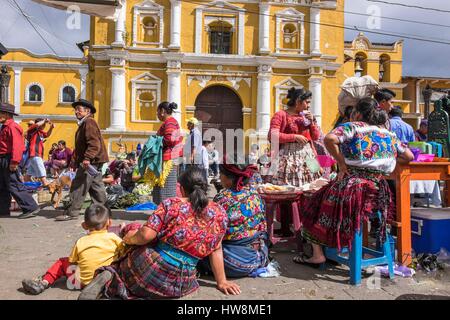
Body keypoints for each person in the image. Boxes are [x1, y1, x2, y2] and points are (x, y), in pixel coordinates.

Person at [78, 167, 240, 300]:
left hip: (150, 273)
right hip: (182, 284)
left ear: (181, 188)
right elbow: (216, 249)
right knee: (140, 232)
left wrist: (130, 239)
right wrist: (222, 281)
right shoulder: (220, 213)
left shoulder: (171, 204)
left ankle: (110, 274)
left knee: (133, 235)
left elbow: (146, 236)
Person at [295, 98, 414, 267]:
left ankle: (318, 253)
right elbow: (409, 156)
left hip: (352, 188)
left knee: (311, 202)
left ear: (357, 113)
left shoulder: (354, 127)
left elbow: (329, 139)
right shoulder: (388, 134)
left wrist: (342, 164)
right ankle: (340, 244)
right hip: (378, 190)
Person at [21, 204, 123, 295]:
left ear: (84, 226)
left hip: (78, 283)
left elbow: (72, 262)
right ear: (109, 223)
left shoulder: (81, 241)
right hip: (107, 279)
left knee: (62, 262)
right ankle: (101, 287)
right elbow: (124, 251)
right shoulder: (114, 238)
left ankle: (44, 282)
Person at [199, 157, 268, 277]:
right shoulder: (255, 193)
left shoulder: (223, 199)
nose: (220, 178)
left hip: (234, 262)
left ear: (230, 177)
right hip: (259, 257)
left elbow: (212, 235)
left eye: (221, 174)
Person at [55, 99, 109, 221]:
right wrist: (75, 160)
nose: (76, 112)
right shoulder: (86, 123)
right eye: (76, 109)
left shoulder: (89, 122)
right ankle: (104, 213)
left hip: (90, 162)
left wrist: (87, 158)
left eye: (79, 109)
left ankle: (72, 212)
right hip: (94, 162)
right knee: (96, 188)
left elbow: (94, 144)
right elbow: (82, 145)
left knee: (78, 186)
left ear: (87, 111)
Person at [268, 87, 322, 188]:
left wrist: (312, 123)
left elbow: (315, 137)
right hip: (287, 156)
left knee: (312, 185)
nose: (309, 106)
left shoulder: (306, 116)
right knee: (289, 186)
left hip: (308, 155)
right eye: (307, 102)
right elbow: (273, 135)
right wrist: (294, 137)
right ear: (298, 101)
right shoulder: (281, 115)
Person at [0, 102, 40, 219]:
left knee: (14, 184)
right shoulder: (5, 126)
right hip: (3, 158)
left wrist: (14, 162)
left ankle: (30, 207)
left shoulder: (13, 127)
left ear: (7, 114)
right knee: (2, 185)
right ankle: (3, 210)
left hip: (9, 158)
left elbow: (17, 146)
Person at [150, 102, 183, 205]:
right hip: (167, 158)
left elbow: (170, 139)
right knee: (162, 188)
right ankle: (163, 211)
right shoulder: (170, 122)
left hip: (168, 159)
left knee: (166, 189)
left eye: (157, 112)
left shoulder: (170, 122)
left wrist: (155, 142)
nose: (157, 114)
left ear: (163, 111)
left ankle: (166, 212)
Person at [25, 118, 54, 187]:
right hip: (35, 153)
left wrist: (51, 128)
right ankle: (45, 182)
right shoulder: (32, 129)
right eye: (43, 124)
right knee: (41, 168)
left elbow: (47, 135)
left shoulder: (40, 132)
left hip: (36, 154)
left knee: (28, 174)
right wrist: (44, 120)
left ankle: (26, 183)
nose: (44, 126)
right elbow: (37, 124)